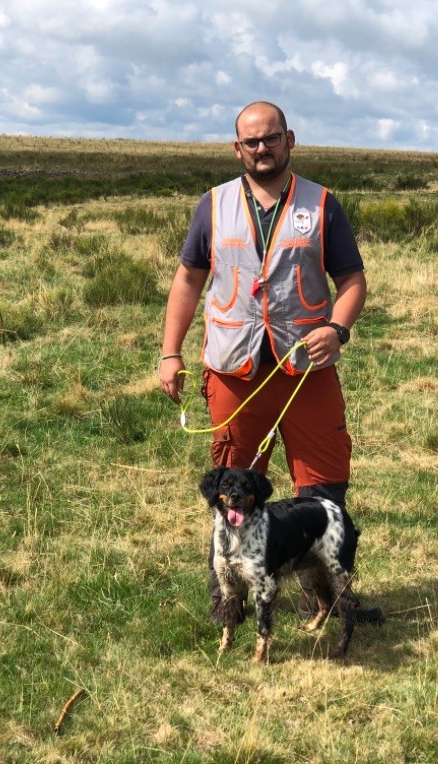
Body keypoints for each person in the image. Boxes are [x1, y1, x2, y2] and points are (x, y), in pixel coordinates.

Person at [158, 101, 370, 620]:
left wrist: (336, 329)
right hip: (234, 370)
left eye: (271, 138)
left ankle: (324, 596)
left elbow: (353, 282)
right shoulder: (213, 204)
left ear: (290, 140)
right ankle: (229, 602)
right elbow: (188, 279)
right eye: (251, 141)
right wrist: (170, 351)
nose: (262, 148)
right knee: (232, 486)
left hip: (305, 373)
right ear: (237, 148)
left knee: (323, 487)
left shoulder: (322, 204)